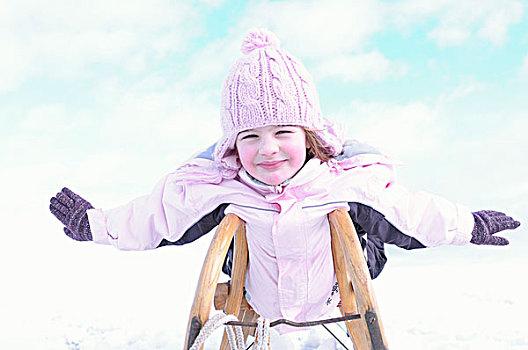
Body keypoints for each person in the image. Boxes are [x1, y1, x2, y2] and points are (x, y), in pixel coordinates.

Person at [49, 29, 520, 336]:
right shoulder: (226, 187)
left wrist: (468, 225)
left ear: (309, 135)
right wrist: (93, 224)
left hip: (334, 285)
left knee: (370, 227)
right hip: (259, 289)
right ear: (234, 145)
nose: (267, 149)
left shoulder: (342, 183)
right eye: (250, 137)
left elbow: (409, 213)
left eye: (283, 133)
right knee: (229, 227)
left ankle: (364, 248)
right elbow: (159, 215)